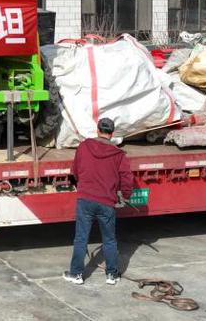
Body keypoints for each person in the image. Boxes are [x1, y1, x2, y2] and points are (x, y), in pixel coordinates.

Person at [63, 117, 134, 286]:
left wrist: (82, 185)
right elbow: (127, 178)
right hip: (106, 203)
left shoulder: (84, 146)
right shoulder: (118, 154)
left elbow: (75, 171)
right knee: (109, 240)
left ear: (97, 130)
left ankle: (76, 274)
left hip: (85, 199)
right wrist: (125, 195)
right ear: (112, 133)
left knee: (81, 238)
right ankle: (112, 275)